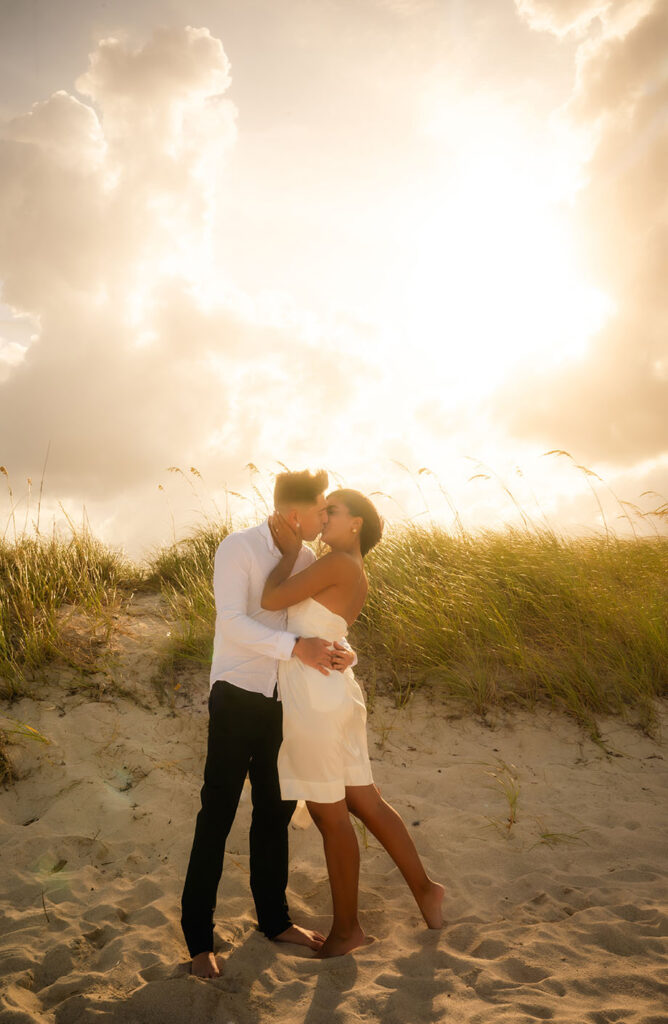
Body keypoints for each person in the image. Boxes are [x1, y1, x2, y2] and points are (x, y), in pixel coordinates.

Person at [180, 469, 358, 978]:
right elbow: (231, 620)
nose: (326, 518)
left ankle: (274, 921)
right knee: (215, 815)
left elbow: (315, 627)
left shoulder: (304, 559)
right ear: (292, 512)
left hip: (285, 703)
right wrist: (293, 648)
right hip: (236, 695)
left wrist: (343, 654)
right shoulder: (237, 547)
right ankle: (198, 942)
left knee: (275, 813)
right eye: (321, 510)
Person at [262, 488, 444, 958]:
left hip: (315, 698)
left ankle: (347, 930)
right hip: (335, 692)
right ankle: (425, 889)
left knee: (331, 815)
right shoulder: (353, 568)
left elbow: (270, 599)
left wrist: (285, 556)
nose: (323, 519)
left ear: (356, 523)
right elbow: (331, 630)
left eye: (332, 512)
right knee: (366, 800)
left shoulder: (338, 561)